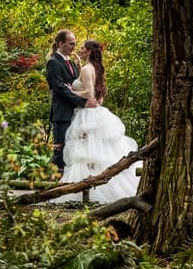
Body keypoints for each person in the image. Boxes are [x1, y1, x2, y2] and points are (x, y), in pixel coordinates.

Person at [52, 39, 140, 204]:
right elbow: (99, 97)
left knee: (87, 153)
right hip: (97, 113)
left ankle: (85, 190)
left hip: (87, 115)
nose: (80, 50)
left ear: (90, 52)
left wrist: (71, 91)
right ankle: (94, 188)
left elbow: (89, 94)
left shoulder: (87, 69)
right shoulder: (96, 69)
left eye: (83, 49)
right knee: (96, 153)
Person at [46, 29, 97, 171]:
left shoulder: (72, 63)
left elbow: (75, 85)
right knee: (60, 150)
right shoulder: (53, 62)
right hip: (62, 114)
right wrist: (83, 102)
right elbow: (60, 89)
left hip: (75, 113)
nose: (74, 47)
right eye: (71, 44)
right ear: (61, 43)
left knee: (73, 151)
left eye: (75, 44)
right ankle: (53, 187)